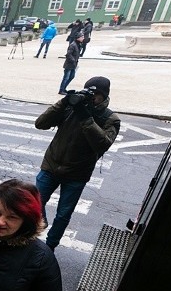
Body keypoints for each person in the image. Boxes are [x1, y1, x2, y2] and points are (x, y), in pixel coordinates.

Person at [35, 77, 121, 251]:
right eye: (90, 92)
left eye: (97, 94)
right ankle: (38, 227)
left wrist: (86, 117)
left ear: (104, 96)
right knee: (34, 201)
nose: (93, 97)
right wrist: (64, 102)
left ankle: (49, 247)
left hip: (77, 173)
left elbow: (103, 144)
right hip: (52, 165)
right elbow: (40, 123)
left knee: (63, 214)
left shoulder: (110, 118)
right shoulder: (71, 107)